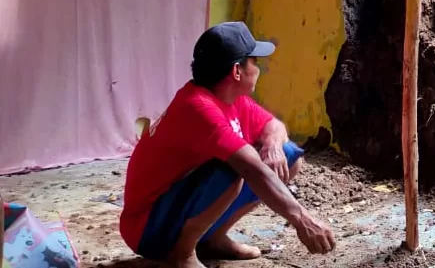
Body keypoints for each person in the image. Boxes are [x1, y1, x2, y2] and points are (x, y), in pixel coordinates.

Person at [119, 22, 336, 268]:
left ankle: (213, 239)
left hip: (172, 211)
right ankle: (181, 255)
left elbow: (274, 126)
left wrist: (273, 146)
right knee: (235, 169)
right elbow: (250, 169)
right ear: (237, 71)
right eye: (254, 61)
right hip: (148, 229)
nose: (259, 68)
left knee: (288, 156)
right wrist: (302, 218)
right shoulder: (198, 107)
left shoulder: (228, 97)